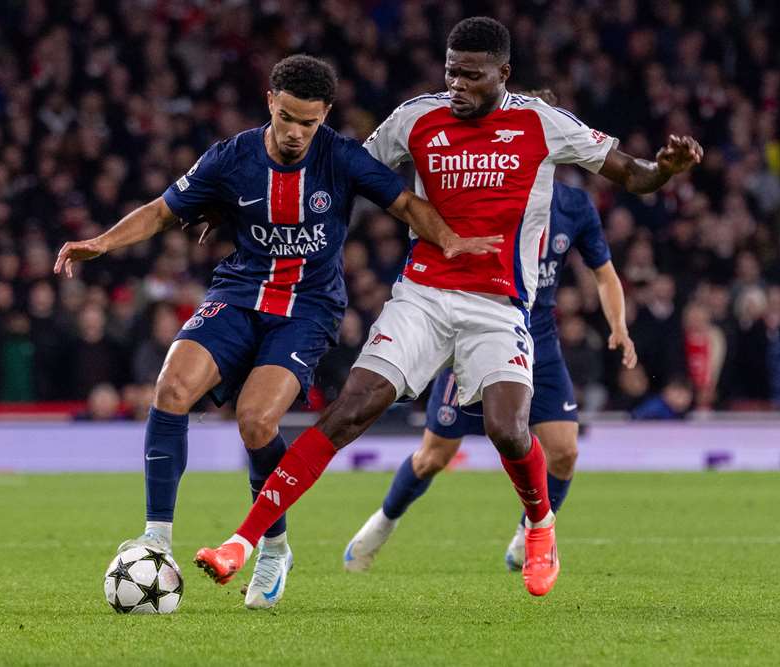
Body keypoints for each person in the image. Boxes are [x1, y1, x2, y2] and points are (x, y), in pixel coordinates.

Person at [195, 17, 701, 598]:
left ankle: (540, 525)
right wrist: (239, 203)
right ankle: (243, 542)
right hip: (423, 295)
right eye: (451, 72)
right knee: (349, 410)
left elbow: (632, 174)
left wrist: (664, 170)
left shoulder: (542, 123)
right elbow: (340, 173)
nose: (457, 84)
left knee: (508, 429)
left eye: (471, 75)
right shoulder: (416, 117)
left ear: (503, 73)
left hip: (499, 304)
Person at [53, 55, 498, 610]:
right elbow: (163, 210)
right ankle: (156, 539)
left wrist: (450, 239)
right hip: (239, 293)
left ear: (325, 115)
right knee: (170, 388)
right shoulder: (232, 156)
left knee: (257, 420)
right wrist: (101, 243)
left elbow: (405, 202)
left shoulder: (340, 157)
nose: (294, 133)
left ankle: (274, 546)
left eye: (307, 122)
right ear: (270, 101)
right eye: (286, 117)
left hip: (308, 309)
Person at [342, 144, 636, 574]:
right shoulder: (487, 192)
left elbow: (604, 273)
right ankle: (382, 524)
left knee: (564, 452)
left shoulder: (574, 205)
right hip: (476, 336)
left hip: (539, 342)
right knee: (433, 457)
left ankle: (527, 536)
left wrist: (619, 326)